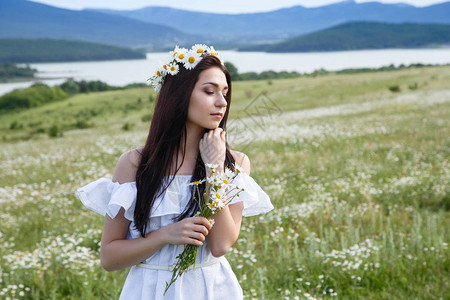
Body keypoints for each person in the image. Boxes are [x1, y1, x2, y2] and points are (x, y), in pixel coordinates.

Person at [77, 44, 273, 299]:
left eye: (225, 92)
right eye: (209, 91)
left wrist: (214, 169)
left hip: (210, 288)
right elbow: (109, 257)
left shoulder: (235, 162)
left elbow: (221, 244)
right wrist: (164, 235)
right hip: (148, 289)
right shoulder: (135, 164)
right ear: (179, 95)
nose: (222, 102)